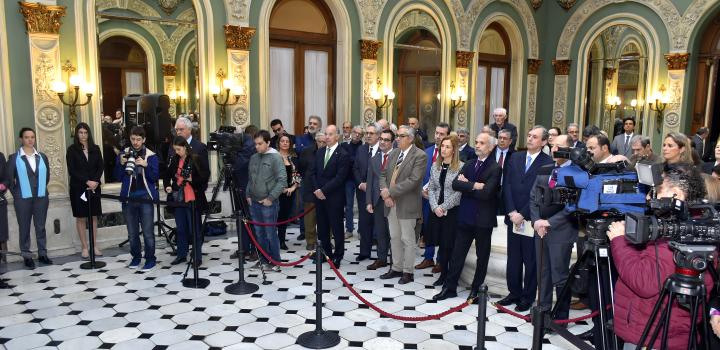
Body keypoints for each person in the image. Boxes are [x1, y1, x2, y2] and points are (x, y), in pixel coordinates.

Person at [607, 164, 713, 349]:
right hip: (655, 330)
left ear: (677, 196)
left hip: (654, 337)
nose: (649, 197)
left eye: (656, 191)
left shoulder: (683, 236)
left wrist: (620, 241)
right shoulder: (687, 226)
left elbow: (644, 282)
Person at [433, 132, 501, 301]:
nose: (477, 145)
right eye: (476, 142)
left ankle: (476, 290)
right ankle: (450, 288)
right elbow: (456, 184)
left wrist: (467, 185)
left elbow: (487, 193)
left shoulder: (495, 168)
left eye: (482, 143)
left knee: (482, 256)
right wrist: (476, 186)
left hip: (483, 220)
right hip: (465, 218)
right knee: (457, 254)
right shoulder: (470, 163)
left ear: (491, 147)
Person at [498, 126, 553, 312]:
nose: (529, 139)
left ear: (544, 142)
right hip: (513, 217)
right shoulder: (515, 157)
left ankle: (527, 297)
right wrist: (512, 211)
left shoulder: (548, 163)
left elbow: (540, 194)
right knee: (513, 258)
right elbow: (507, 185)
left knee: (530, 261)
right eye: (529, 135)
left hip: (531, 219)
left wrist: (523, 213)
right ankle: (513, 292)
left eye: (535, 137)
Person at [530, 134, 578, 322]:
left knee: (560, 276)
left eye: (559, 146)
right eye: (552, 145)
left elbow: (573, 205)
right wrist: (536, 222)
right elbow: (533, 197)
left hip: (561, 231)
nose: (554, 149)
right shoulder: (545, 169)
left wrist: (549, 222)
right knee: (543, 274)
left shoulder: (577, 173)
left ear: (569, 149)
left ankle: (560, 318)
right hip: (540, 230)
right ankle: (543, 312)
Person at [379, 126, 427, 284]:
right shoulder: (393, 153)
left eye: (401, 136)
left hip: (407, 204)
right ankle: (396, 268)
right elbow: (383, 174)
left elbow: (413, 181)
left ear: (411, 138)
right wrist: (385, 191)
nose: (397, 138)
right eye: (397, 136)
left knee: (408, 239)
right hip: (390, 203)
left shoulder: (420, 156)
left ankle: (408, 272)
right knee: (394, 237)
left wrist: (390, 192)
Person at [4, 128, 52, 269]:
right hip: (22, 199)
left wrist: (40, 189)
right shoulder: (14, 158)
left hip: (41, 198)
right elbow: (9, 179)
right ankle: (26, 255)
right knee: (24, 228)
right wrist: (17, 194)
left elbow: (47, 176)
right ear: (21, 139)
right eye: (27, 137)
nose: (30, 140)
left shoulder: (42, 157)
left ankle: (43, 254)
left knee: (41, 227)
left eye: (32, 137)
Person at [118, 126, 159, 270]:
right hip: (129, 198)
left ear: (144, 140)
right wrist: (121, 164)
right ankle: (136, 257)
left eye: (138, 139)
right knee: (132, 232)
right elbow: (117, 176)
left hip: (145, 198)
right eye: (133, 139)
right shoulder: (124, 154)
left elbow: (154, 177)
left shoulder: (151, 155)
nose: (135, 142)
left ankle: (150, 259)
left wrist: (146, 166)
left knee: (148, 232)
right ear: (130, 138)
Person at [426, 134, 463, 287]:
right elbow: (432, 188)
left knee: (449, 245)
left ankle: (449, 277)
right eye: (442, 146)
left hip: (452, 211)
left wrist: (443, 207)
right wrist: (435, 207)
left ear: (454, 150)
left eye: (448, 147)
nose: (444, 149)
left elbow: (459, 192)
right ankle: (442, 275)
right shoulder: (436, 165)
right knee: (440, 243)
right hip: (437, 211)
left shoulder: (461, 167)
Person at [246, 130, 286, 272]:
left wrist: (270, 198)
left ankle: (275, 262)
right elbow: (250, 179)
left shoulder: (276, 158)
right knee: (259, 234)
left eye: (260, 144)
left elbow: (282, 181)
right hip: (254, 203)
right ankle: (263, 260)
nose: (257, 146)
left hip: (269, 204)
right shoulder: (254, 158)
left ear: (268, 143)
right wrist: (248, 194)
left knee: (270, 234)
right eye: (255, 144)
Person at [311, 125, 350, 267]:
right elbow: (313, 173)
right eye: (326, 134)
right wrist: (317, 189)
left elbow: (340, 178)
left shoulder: (344, 154)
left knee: (337, 228)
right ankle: (325, 253)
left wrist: (323, 190)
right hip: (319, 196)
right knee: (321, 228)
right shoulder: (320, 152)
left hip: (334, 197)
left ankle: (338, 256)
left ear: (337, 136)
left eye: (330, 134)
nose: (327, 137)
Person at [66, 123, 104, 259]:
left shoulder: (96, 148)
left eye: (85, 132)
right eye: (80, 132)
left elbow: (100, 166)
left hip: (94, 188)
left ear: (89, 134)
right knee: (81, 218)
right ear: (77, 134)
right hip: (79, 188)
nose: (83, 135)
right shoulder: (72, 150)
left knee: (93, 217)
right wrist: (87, 181)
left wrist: (94, 182)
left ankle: (94, 246)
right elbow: (72, 170)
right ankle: (84, 247)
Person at [417, 122, 451, 272]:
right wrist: (422, 191)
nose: (438, 136)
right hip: (426, 198)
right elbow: (421, 174)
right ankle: (428, 257)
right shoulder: (427, 151)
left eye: (442, 134)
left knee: (443, 231)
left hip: (443, 201)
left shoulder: (452, 155)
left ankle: (441, 261)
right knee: (428, 228)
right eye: (436, 133)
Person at [366, 128, 394, 270]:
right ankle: (381, 258)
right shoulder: (374, 158)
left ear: (392, 142)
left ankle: (395, 262)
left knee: (394, 233)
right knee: (381, 232)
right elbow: (370, 181)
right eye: (381, 139)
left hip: (393, 201)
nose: (382, 142)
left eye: (386, 140)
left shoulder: (398, 156)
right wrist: (369, 201)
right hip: (377, 201)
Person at [353, 124, 380, 261]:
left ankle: (382, 254)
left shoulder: (384, 150)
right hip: (363, 192)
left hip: (379, 194)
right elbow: (355, 168)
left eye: (371, 133)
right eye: (367, 133)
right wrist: (360, 183)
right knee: (364, 223)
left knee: (380, 223)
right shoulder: (361, 149)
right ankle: (364, 252)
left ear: (378, 135)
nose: (368, 135)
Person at [298, 131, 325, 250]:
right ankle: (310, 240)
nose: (322, 144)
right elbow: (301, 168)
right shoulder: (306, 152)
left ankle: (326, 240)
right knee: (309, 217)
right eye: (320, 142)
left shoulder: (330, 151)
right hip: (309, 189)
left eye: (325, 142)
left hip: (325, 190)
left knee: (326, 217)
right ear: (316, 141)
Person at [277, 133, 300, 250]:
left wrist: (293, 187)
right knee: (277, 217)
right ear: (279, 143)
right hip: (276, 192)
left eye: (287, 141)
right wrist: (281, 188)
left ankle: (281, 240)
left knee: (285, 217)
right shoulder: (274, 157)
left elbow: (298, 174)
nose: (285, 143)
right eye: (283, 141)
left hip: (290, 192)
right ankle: (275, 240)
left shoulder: (294, 157)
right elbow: (271, 176)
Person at [342, 126, 363, 239]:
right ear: (352, 132)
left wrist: (351, 160)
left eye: (360, 133)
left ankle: (360, 230)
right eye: (355, 132)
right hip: (348, 179)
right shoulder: (345, 145)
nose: (357, 135)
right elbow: (345, 159)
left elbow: (360, 162)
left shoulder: (364, 147)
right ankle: (349, 229)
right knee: (348, 206)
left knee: (361, 206)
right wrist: (354, 160)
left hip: (360, 180)